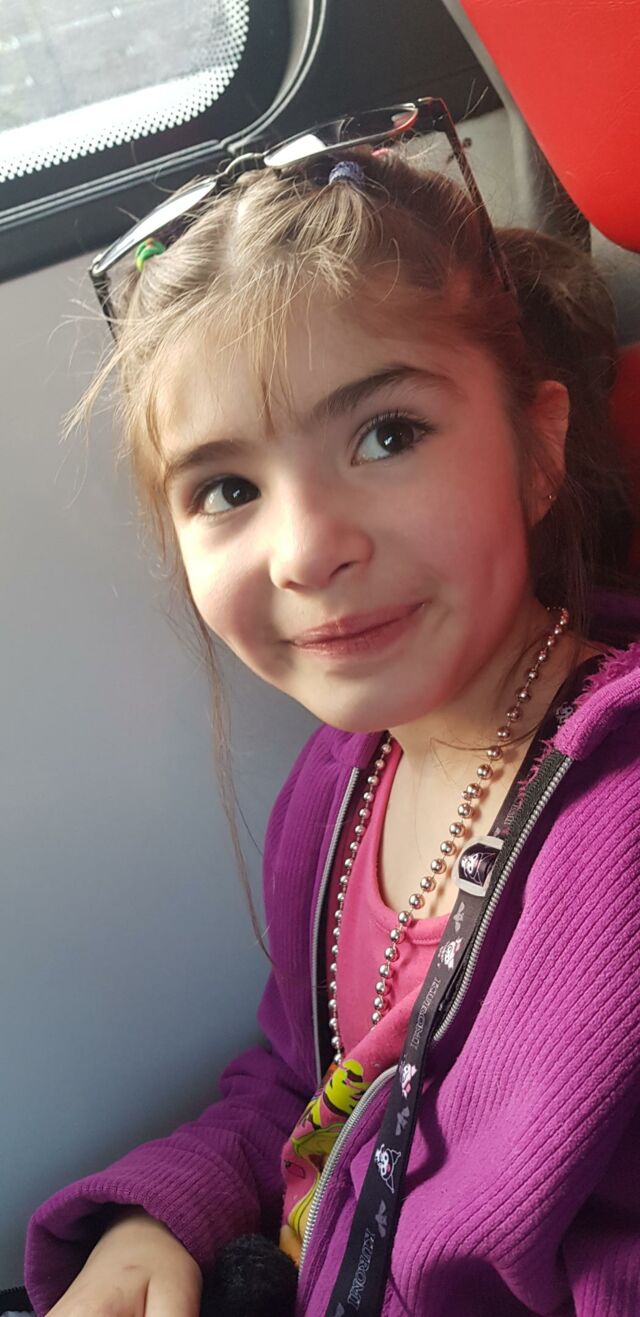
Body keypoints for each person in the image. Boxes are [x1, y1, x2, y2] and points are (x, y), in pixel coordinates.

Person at [22, 115, 640, 1317]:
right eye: (228, 489)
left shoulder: (613, 843)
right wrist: (162, 1218)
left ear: (536, 448)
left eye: (386, 434)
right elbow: (314, 1084)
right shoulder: (342, 783)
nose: (306, 550)